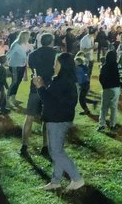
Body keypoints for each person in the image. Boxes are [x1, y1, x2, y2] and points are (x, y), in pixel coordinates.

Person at [32, 53, 84, 191]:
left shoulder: (61, 82)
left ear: (62, 65)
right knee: (57, 151)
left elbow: (48, 99)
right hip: (62, 118)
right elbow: (54, 97)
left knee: (55, 152)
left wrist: (39, 87)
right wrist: (43, 86)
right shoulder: (66, 80)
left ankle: (77, 178)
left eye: (56, 63)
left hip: (57, 119)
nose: (53, 66)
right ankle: (56, 181)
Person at [21, 32, 57, 156]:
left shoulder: (32, 54)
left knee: (29, 117)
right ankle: (45, 146)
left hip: (35, 87)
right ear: (51, 41)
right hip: (49, 88)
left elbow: (32, 69)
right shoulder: (55, 54)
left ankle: (24, 145)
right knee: (47, 118)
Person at [97, 50, 122, 132]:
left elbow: (101, 77)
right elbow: (121, 77)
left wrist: (104, 85)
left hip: (106, 89)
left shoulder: (104, 66)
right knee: (114, 108)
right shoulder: (118, 65)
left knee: (104, 107)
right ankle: (112, 125)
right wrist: (121, 87)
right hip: (115, 88)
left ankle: (101, 124)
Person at [6, 30, 30, 108]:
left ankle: (13, 98)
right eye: (28, 36)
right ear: (24, 37)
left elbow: (25, 55)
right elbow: (9, 54)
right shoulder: (16, 45)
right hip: (15, 66)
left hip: (21, 66)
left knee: (18, 82)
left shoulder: (25, 44)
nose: (29, 37)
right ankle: (7, 100)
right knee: (14, 83)